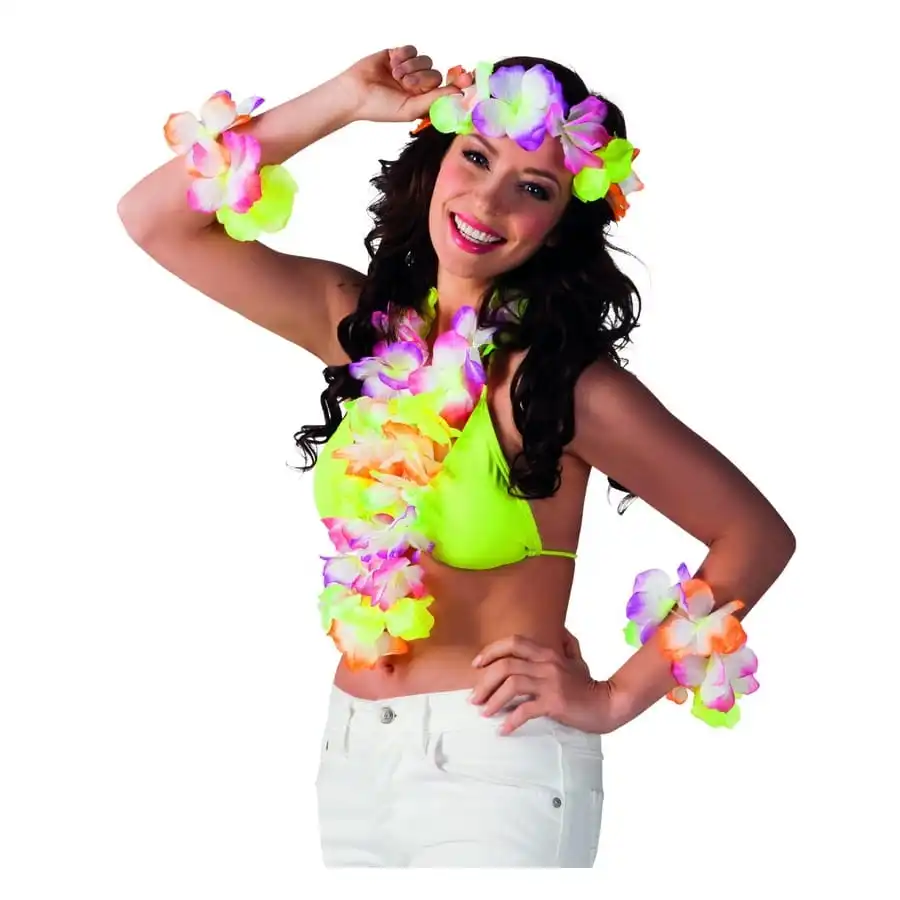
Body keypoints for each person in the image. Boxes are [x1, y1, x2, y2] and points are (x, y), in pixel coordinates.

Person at [117, 45, 796, 868]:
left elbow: (756, 536)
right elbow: (155, 218)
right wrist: (344, 99)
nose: (487, 199)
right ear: (436, 159)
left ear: (560, 223)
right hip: (354, 757)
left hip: (495, 765)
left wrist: (615, 697)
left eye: (533, 188)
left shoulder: (563, 388)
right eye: (475, 157)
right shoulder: (363, 331)